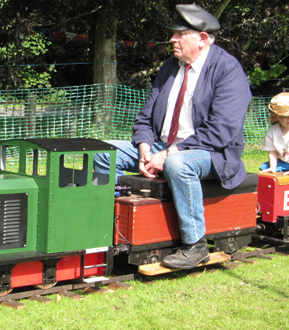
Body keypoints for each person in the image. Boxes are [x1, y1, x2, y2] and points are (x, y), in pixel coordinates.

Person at [93, 4, 252, 269]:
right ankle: (103, 225)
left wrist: (168, 155)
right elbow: (145, 117)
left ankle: (195, 245)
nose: (172, 39)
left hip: (212, 153)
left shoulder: (228, 71)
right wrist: (145, 150)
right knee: (102, 151)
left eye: (180, 34)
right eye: (173, 34)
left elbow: (221, 130)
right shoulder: (169, 67)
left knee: (179, 164)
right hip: (161, 146)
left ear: (202, 39)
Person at [259, 92, 289, 174]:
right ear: (276, 116)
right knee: (265, 167)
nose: (288, 119)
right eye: (284, 116)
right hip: (283, 163)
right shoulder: (272, 131)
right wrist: (273, 167)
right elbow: (272, 151)